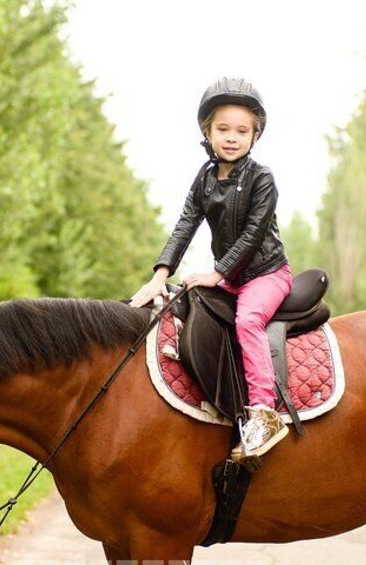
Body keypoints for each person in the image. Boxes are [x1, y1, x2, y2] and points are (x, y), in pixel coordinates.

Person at [130, 77, 293, 462]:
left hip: (266, 275)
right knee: (183, 307)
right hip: (231, 277)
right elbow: (185, 225)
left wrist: (216, 273)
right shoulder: (204, 179)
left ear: (255, 135)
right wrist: (159, 276)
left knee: (248, 321)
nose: (232, 137)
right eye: (223, 129)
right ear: (208, 131)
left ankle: (264, 415)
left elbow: (253, 235)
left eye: (242, 130)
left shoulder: (262, 178)